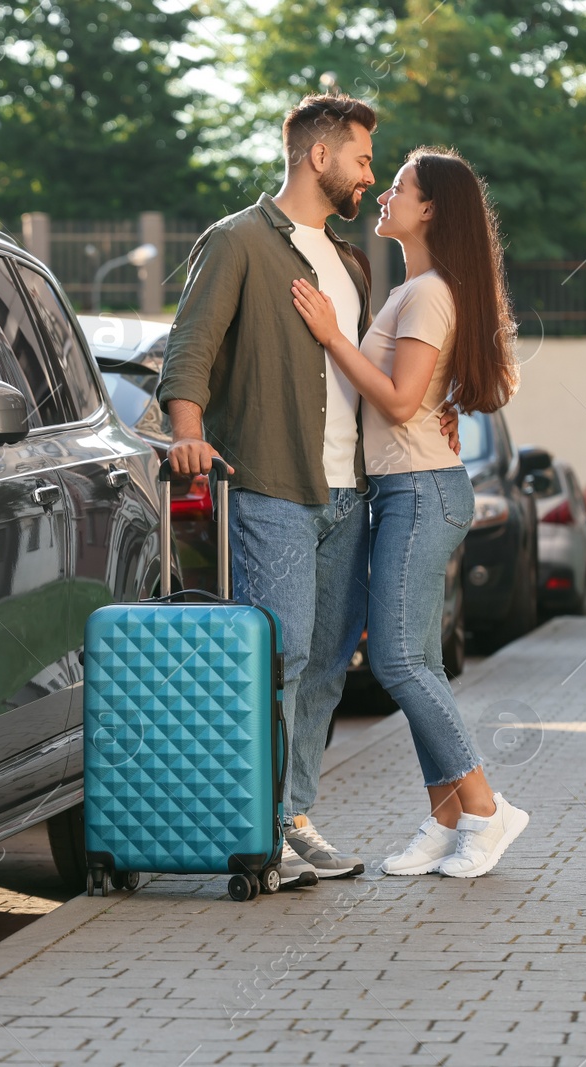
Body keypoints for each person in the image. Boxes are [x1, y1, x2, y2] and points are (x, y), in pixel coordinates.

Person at [160, 94, 405, 886]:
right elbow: (189, 351)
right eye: (364, 159)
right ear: (319, 156)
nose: (370, 175)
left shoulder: (353, 260)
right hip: (271, 482)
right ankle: (259, 829)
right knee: (283, 651)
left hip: (349, 493)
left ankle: (294, 816)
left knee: (330, 661)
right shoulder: (237, 241)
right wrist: (187, 431)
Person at [289, 147, 529, 877]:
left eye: (398, 187)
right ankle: (446, 814)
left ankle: (486, 806)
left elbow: (396, 399)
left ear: (430, 210)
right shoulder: (419, 287)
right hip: (408, 487)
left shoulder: (428, 292)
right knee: (419, 659)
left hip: (421, 491)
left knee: (395, 658)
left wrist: (331, 333)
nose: (382, 194)